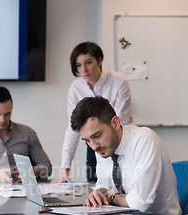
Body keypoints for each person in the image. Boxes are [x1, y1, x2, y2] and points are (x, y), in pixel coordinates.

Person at [70, 96, 181, 215]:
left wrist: (113, 197)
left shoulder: (144, 140)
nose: (93, 146)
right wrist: (98, 194)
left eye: (97, 135)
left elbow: (141, 202)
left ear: (115, 123)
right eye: (87, 140)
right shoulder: (102, 147)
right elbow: (103, 185)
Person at [55, 41, 133, 183]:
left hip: (122, 141)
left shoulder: (118, 81)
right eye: (78, 65)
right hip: (94, 144)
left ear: (99, 60)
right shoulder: (76, 88)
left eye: (88, 62)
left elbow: (121, 120)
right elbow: (73, 128)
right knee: (95, 186)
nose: (84, 69)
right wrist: (64, 170)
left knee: (125, 185)